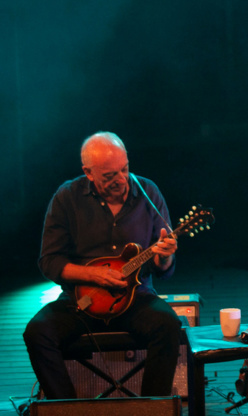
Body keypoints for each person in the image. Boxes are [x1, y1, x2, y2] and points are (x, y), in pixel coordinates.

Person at [23, 131, 181, 399]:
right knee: (37, 333)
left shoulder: (148, 192)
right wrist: (93, 275)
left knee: (168, 325)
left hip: (135, 298)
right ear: (88, 172)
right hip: (81, 302)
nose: (121, 180)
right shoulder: (67, 197)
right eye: (110, 176)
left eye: (125, 169)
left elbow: (162, 269)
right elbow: (49, 261)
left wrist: (165, 254)